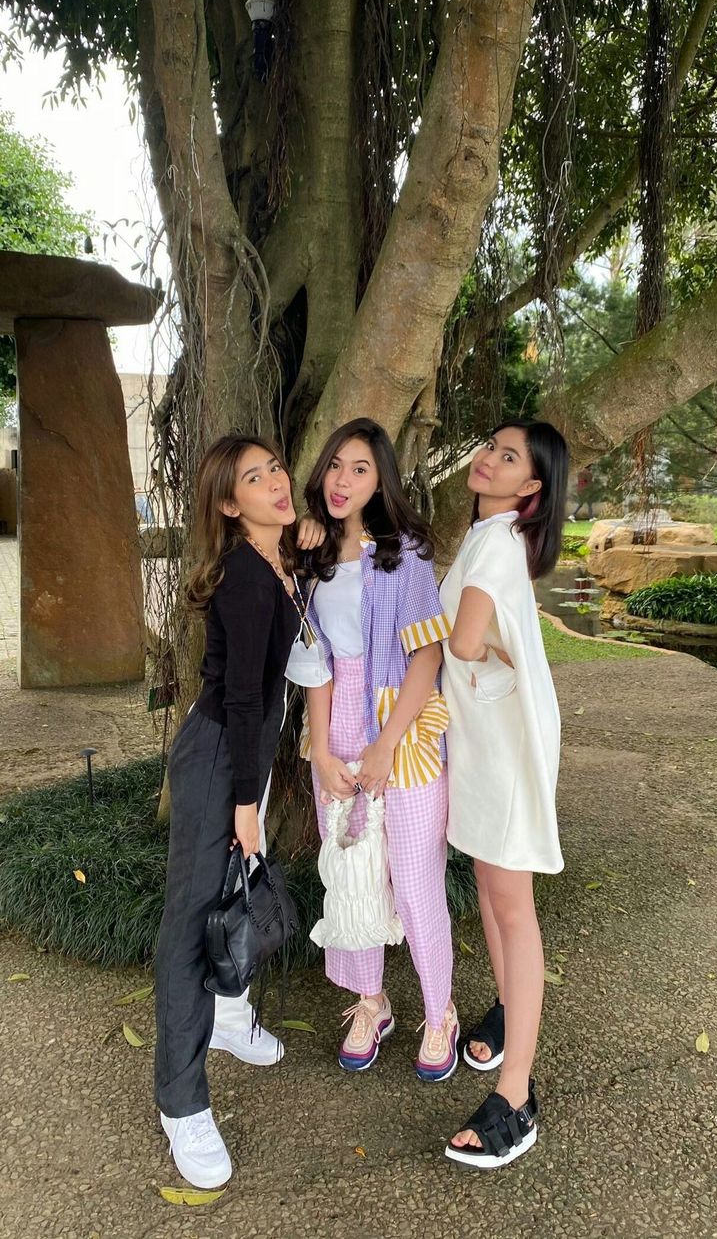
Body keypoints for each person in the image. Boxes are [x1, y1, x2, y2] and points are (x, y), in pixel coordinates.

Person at [154, 434, 303, 1189]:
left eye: (275, 466)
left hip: (242, 753)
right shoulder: (246, 575)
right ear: (226, 503)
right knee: (190, 920)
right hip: (221, 756)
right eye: (255, 477)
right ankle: (181, 1103)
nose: (276, 480)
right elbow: (243, 698)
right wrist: (246, 802)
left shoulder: (276, 557)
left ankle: (233, 1020)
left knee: (231, 893)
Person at [298, 418, 458, 1080]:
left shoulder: (406, 550)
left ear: (380, 479)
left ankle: (439, 1011)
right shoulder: (306, 551)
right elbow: (312, 658)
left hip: (406, 728)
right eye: (335, 465)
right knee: (351, 872)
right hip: (333, 724)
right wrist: (324, 752)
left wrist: (388, 745)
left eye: (359, 469)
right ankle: (371, 1002)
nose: (342, 480)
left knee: (415, 881)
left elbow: (426, 654)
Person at [440, 419, 569, 1170]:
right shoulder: (488, 534)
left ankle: (517, 1097)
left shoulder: (494, 541)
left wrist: (481, 648)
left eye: (509, 457)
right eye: (490, 444)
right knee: (491, 890)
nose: (487, 457)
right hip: (488, 743)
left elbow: (461, 641)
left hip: (506, 748)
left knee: (511, 905)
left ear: (532, 490)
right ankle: (508, 1011)